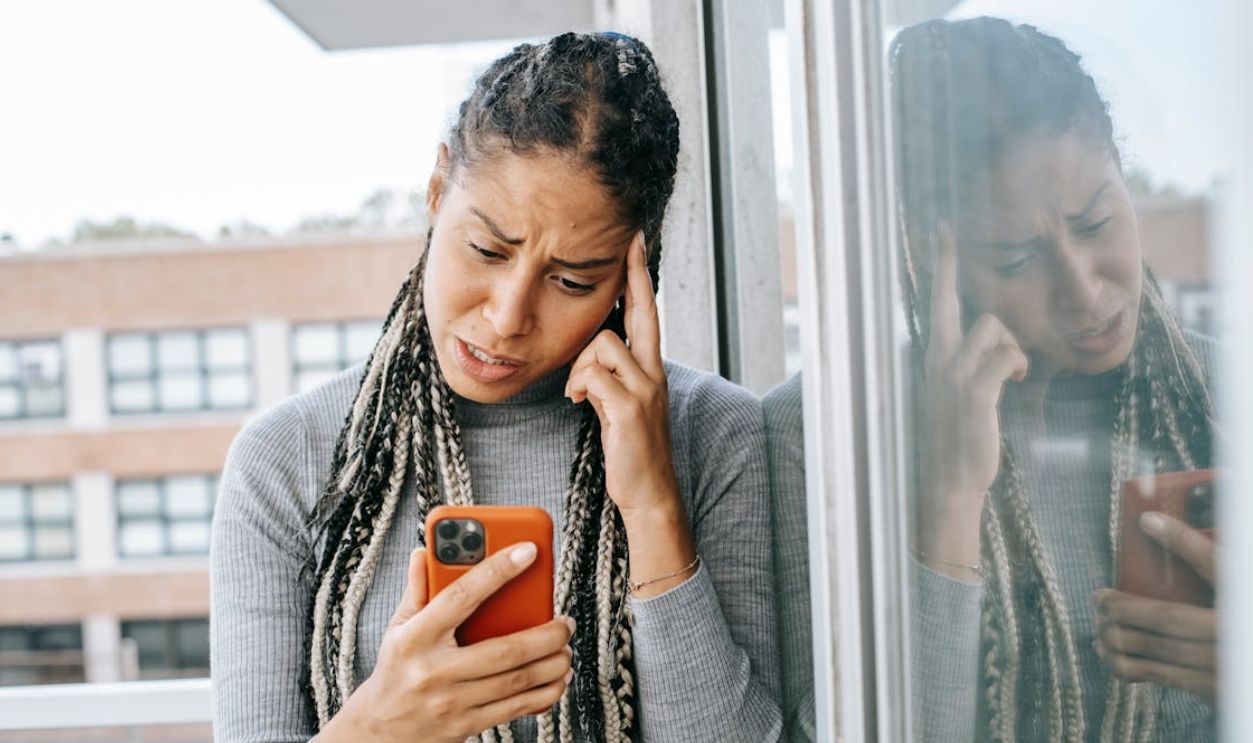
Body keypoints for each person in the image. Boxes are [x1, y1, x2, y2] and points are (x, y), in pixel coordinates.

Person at [210, 31, 781, 743]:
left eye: (571, 281)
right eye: (486, 249)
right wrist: (379, 726)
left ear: (633, 272)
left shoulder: (715, 433)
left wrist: (653, 506)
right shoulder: (286, 456)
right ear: (436, 191)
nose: (508, 318)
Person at [892, 17, 1220, 742]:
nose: (1083, 290)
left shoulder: (1227, 393)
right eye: (1014, 259)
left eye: (1096, 221)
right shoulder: (835, 435)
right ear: (930, 261)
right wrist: (949, 496)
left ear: (1123, 173)